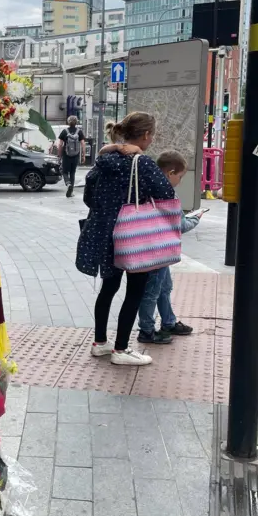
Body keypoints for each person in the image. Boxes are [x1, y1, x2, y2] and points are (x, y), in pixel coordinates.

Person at [76, 112, 176, 366]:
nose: (151, 139)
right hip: (132, 235)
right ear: (145, 135)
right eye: (151, 135)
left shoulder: (104, 160)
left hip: (104, 232)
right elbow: (165, 191)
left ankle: (100, 343)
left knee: (108, 287)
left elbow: (89, 197)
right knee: (135, 291)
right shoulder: (141, 163)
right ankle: (121, 349)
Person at [137, 151, 203, 344]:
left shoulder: (147, 185)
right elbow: (180, 225)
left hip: (150, 245)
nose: (180, 182)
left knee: (164, 287)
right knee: (152, 291)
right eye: (180, 177)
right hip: (157, 249)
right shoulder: (165, 191)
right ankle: (147, 330)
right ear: (170, 173)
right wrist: (195, 218)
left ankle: (168, 321)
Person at [58, 116, 85, 198]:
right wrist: (83, 155)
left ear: (68, 122)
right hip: (75, 155)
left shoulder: (64, 131)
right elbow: (83, 144)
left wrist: (59, 155)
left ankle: (68, 183)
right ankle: (71, 192)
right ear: (76, 122)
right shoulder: (79, 131)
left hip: (66, 155)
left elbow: (60, 144)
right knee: (72, 172)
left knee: (64, 171)